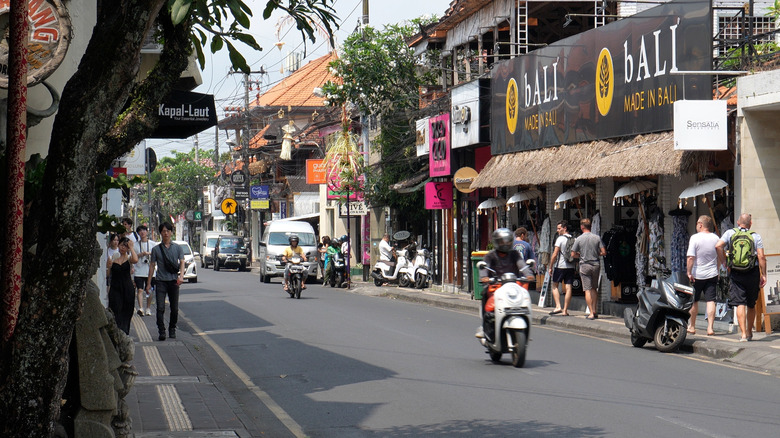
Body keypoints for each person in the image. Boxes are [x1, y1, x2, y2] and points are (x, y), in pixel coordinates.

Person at [476, 228, 535, 340]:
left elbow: (522, 265)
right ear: (496, 242)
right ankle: (484, 327)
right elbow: (485, 267)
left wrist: (528, 274)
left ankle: (525, 329)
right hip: (496, 285)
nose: (505, 244)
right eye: (502, 241)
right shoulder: (491, 255)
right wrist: (484, 277)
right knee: (485, 295)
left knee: (523, 301)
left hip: (513, 285)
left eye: (507, 241)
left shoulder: (514, 254)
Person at [716, 213, 767, 342]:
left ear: (738, 223)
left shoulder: (730, 233)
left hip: (736, 272)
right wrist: (764, 274)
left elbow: (718, 246)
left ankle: (743, 334)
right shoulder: (755, 236)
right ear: (751, 224)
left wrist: (724, 262)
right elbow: (761, 257)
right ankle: (750, 332)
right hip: (752, 272)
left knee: (740, 304)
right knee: (751, 304)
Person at [146, 222, 185, 341]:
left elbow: (182, 262)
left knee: (174, 308)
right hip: (161, 281)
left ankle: (172, 328)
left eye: (168, 231)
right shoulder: (156, 249)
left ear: (171, 232)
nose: (166, 233)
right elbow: (152, 266)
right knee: (160, 308)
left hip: (174, 281)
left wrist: (181, 276)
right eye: (163, 231)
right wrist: (148, 283)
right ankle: (161, 330)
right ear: (160, 233)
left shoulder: (177, 248)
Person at [686, 215, 720, 335]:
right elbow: (719, 257)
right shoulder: (716, 238)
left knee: (694, 301)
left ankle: (692, 326)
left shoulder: (695, 238)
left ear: (700, 224)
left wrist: (688, 272)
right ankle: (710, 328)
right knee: (711, 300)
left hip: (697, 274)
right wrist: (717, 269)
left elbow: (691, 257)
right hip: (712, 274)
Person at [571, 218, 606, 320]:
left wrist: (580, 255)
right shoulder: (597, 237)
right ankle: (594, 310)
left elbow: (573, 254)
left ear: (582, 227)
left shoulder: (579, 239)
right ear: (590, 226)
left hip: (585, 265)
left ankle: (590, 312)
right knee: (594, 288)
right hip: (596, 264)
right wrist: (596, 253)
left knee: (587, 289)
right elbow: (604, 252)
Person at [108, 236, 139, 335]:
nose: (123, 248)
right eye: (122, 245)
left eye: (125, 246)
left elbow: (135, 260)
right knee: (116, 310)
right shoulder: (113, 257)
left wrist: (132, 248)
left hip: (127, 288)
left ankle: (125, 332)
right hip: (115, 288)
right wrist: (108, 266)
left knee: (127, 310)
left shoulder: (129, 258)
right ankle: (117, 332)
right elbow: (108, 274)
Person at [548, 220, 576, 316]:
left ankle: (558, 306)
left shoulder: (560, 239)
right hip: (571, 266)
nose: (557, 230)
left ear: (565, 228)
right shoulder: (574, 238)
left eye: (559, 228)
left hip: (560, 266)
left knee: (555, 285)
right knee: (568, 287)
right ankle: (565, 310)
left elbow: (555, 254)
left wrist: (550, 266)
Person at [133, 225, 157, 317]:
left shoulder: (152, 244)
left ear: (147, 232)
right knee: (140, 290)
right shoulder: (135, 245)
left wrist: (148, 253)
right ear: (138, 233)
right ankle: (141, 308)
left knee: (149, 290)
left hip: (150, 271)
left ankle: (148, 308)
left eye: (144, 230)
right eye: (140, 231)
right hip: (139, 270)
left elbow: (156, 255)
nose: (142, 232)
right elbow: (133, 257)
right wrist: (140, 254)